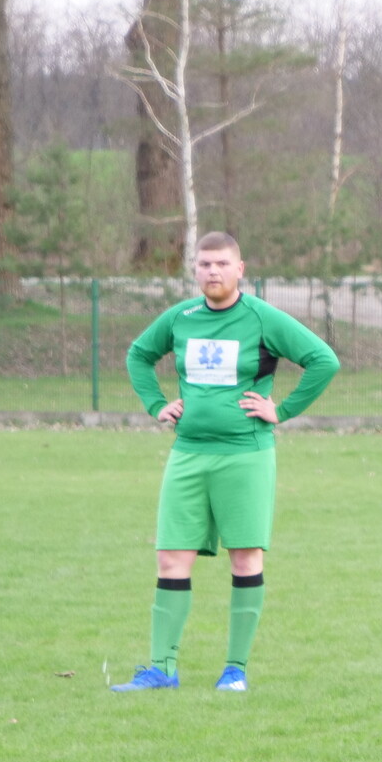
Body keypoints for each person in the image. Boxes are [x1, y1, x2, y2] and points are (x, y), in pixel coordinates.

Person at [110, 232, 339, 693]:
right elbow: (139, 355)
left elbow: (323, 360)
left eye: (221, 263)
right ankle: (162, 669)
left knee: (245, 556)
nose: (212, 271)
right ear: (194, 270)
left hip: (245, 456)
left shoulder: (261, 317)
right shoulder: (181, 318)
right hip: (188, 454)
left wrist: (282, 410)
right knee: (171, 556)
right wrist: (156, 404)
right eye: (204, 264)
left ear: (240, 269)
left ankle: (235, 671)